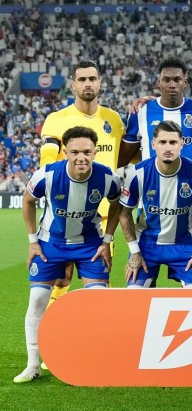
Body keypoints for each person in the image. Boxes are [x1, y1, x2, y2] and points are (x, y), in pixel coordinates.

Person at [14, 126, 121, 383]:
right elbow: (27, 201)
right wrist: (32, 241)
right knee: (37, 301)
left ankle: (92, 359)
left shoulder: (108, 177)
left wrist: (107, 240)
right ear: (65, 152)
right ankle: (33, 365)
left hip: (90, 244)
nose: (81, 157)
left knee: (98, 302)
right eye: (75, 152)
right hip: (50, 243)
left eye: (87, 152)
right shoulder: (47, 175)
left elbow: (117, 205)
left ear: (95, 151)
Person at [39, 59, 125, 305]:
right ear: (73, 85)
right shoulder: (57, 119)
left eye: (92, 79)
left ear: (100, 83)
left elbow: (128, 154)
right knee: (61, 278)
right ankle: (51, 324)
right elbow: (47, 164)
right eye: (82, 79)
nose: (88, 83)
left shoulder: (114, 120)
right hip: (64, 213)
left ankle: (94, 326)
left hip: (103, 217)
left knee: (100, 279)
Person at [118, 121, 192, 288]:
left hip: (184, 244)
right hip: (147, 244)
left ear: (181, 144)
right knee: (133, 294)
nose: (168, 148)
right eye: (162, 142)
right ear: (153, 144)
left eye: (173, 142)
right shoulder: (137, 173)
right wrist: (134, 251)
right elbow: (124, 214)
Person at [118, 56, 192, 166]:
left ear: (185, 83)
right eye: (166, 80)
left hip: (189, 177)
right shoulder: (140, 112)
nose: (172, 85)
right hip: (150, 177)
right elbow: (123, 159)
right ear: (159, 83)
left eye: (177, 80)